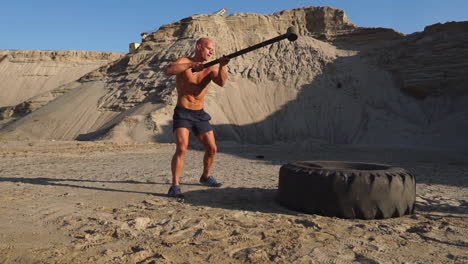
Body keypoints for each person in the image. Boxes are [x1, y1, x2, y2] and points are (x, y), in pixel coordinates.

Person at [164, 38, 230, 198]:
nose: (211, 52)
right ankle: (175, 186)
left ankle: (206, 177)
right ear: (198, 47)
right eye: (208, 48)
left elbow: (221, 82)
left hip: (199, 114)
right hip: (183, 113)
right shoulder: (184, 61)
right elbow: (168, 70)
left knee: (212, 149)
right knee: (182, 148)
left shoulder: (211, 69)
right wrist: (190, 65)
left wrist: (223, 65)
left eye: (212, 49)